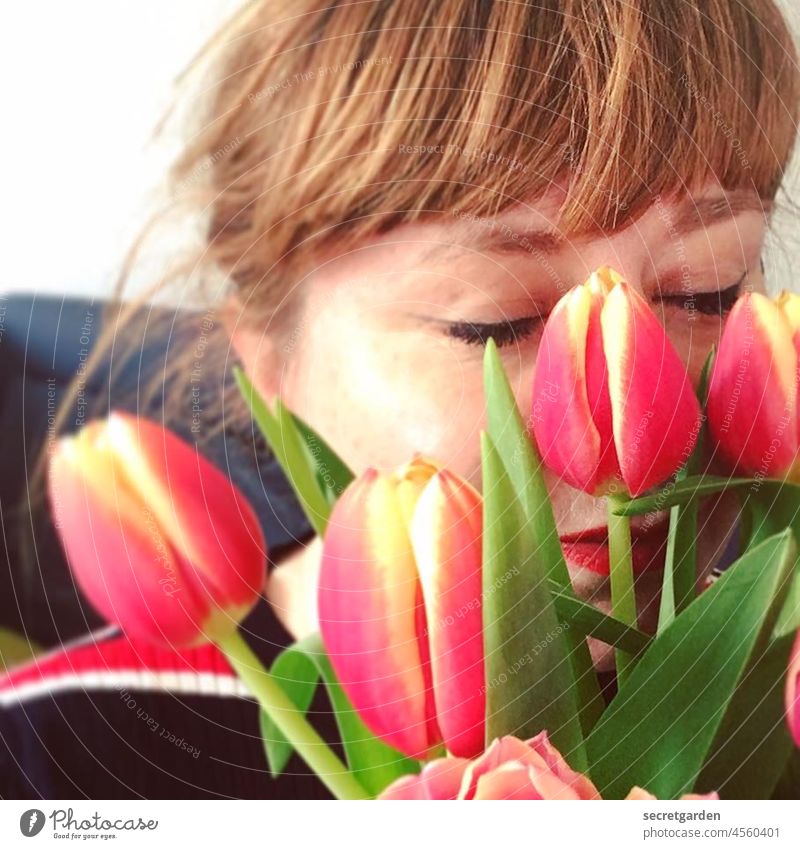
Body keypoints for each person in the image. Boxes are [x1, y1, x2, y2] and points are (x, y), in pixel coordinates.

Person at [1, 0, 798, 798]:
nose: (641, 391)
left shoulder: (773, 677)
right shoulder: (51, 758)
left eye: (708, 289)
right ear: (267, 357)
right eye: (496, 321)